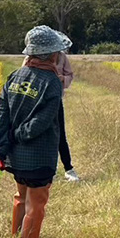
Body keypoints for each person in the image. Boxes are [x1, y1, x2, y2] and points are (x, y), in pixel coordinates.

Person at [0, 25, 70, 238]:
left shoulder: (15, 76)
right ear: (53, 55)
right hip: (38, 157)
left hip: (14, 156)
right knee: (36, 204)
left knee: (20, 197)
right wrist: (18, 136)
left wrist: (4, 142)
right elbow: (41, 123)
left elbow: (2, 112)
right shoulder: (51, 82)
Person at [23, 32, 79, 182]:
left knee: (59, 133)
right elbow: (25, 76)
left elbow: (70, 75)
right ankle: (44, 169)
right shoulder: (29, 58)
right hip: (35, 99)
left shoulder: (62, 57)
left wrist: (61, 79)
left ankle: (68, 168)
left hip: (54, 99)